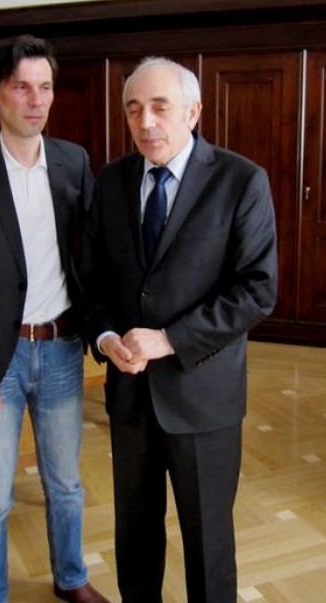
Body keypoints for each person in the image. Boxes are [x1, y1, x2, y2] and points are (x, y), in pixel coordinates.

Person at [80, 57, 278, 602]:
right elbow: (92, 280)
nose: (145, 122)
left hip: (202, 397)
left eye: (159, 107)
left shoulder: (241, 180)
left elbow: (257, 290)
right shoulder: (113, 180)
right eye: (133, 109)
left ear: (193, 112)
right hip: (130, 393)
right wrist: (106, 339)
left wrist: (168, 340)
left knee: (207, 541)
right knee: (135, 533)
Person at [0, 34, 108, 603]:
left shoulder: (73, 161)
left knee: (66, 484)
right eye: (21, 88)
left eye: (45, 87)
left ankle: (71, 579)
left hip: (60, 348)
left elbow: (98, 251)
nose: (36, 101)